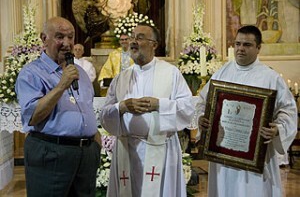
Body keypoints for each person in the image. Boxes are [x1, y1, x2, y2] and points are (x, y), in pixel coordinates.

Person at [197, 25, 298, 197]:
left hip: (256, 158)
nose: (240, 49)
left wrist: (277, 129)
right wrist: (201, 118)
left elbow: (287, 110)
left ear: (258, 48)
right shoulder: (221, 74)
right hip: (224, 156)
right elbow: (201, 102)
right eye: (237, 44)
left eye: (247, 45)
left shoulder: (270, 77)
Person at [99, 24, 195, 197]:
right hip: (127, 151)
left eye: (140, 37)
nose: (134, 42)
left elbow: (187, 109)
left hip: (162, 151)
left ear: (154, 45)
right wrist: (121, 107)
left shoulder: (171, 73)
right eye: (132, 37)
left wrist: (159, 104)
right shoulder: (121, 77)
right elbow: (104, 114)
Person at [15, 17, 101, 197]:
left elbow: (86, 109)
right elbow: (32, 116)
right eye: (60, 37)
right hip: (51, 154)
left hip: (85, 156)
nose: (67, 43)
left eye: (71, 37)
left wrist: (95, 140)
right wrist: (62, 85)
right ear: (44, 38)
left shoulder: (81, 74)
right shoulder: (31, 73)